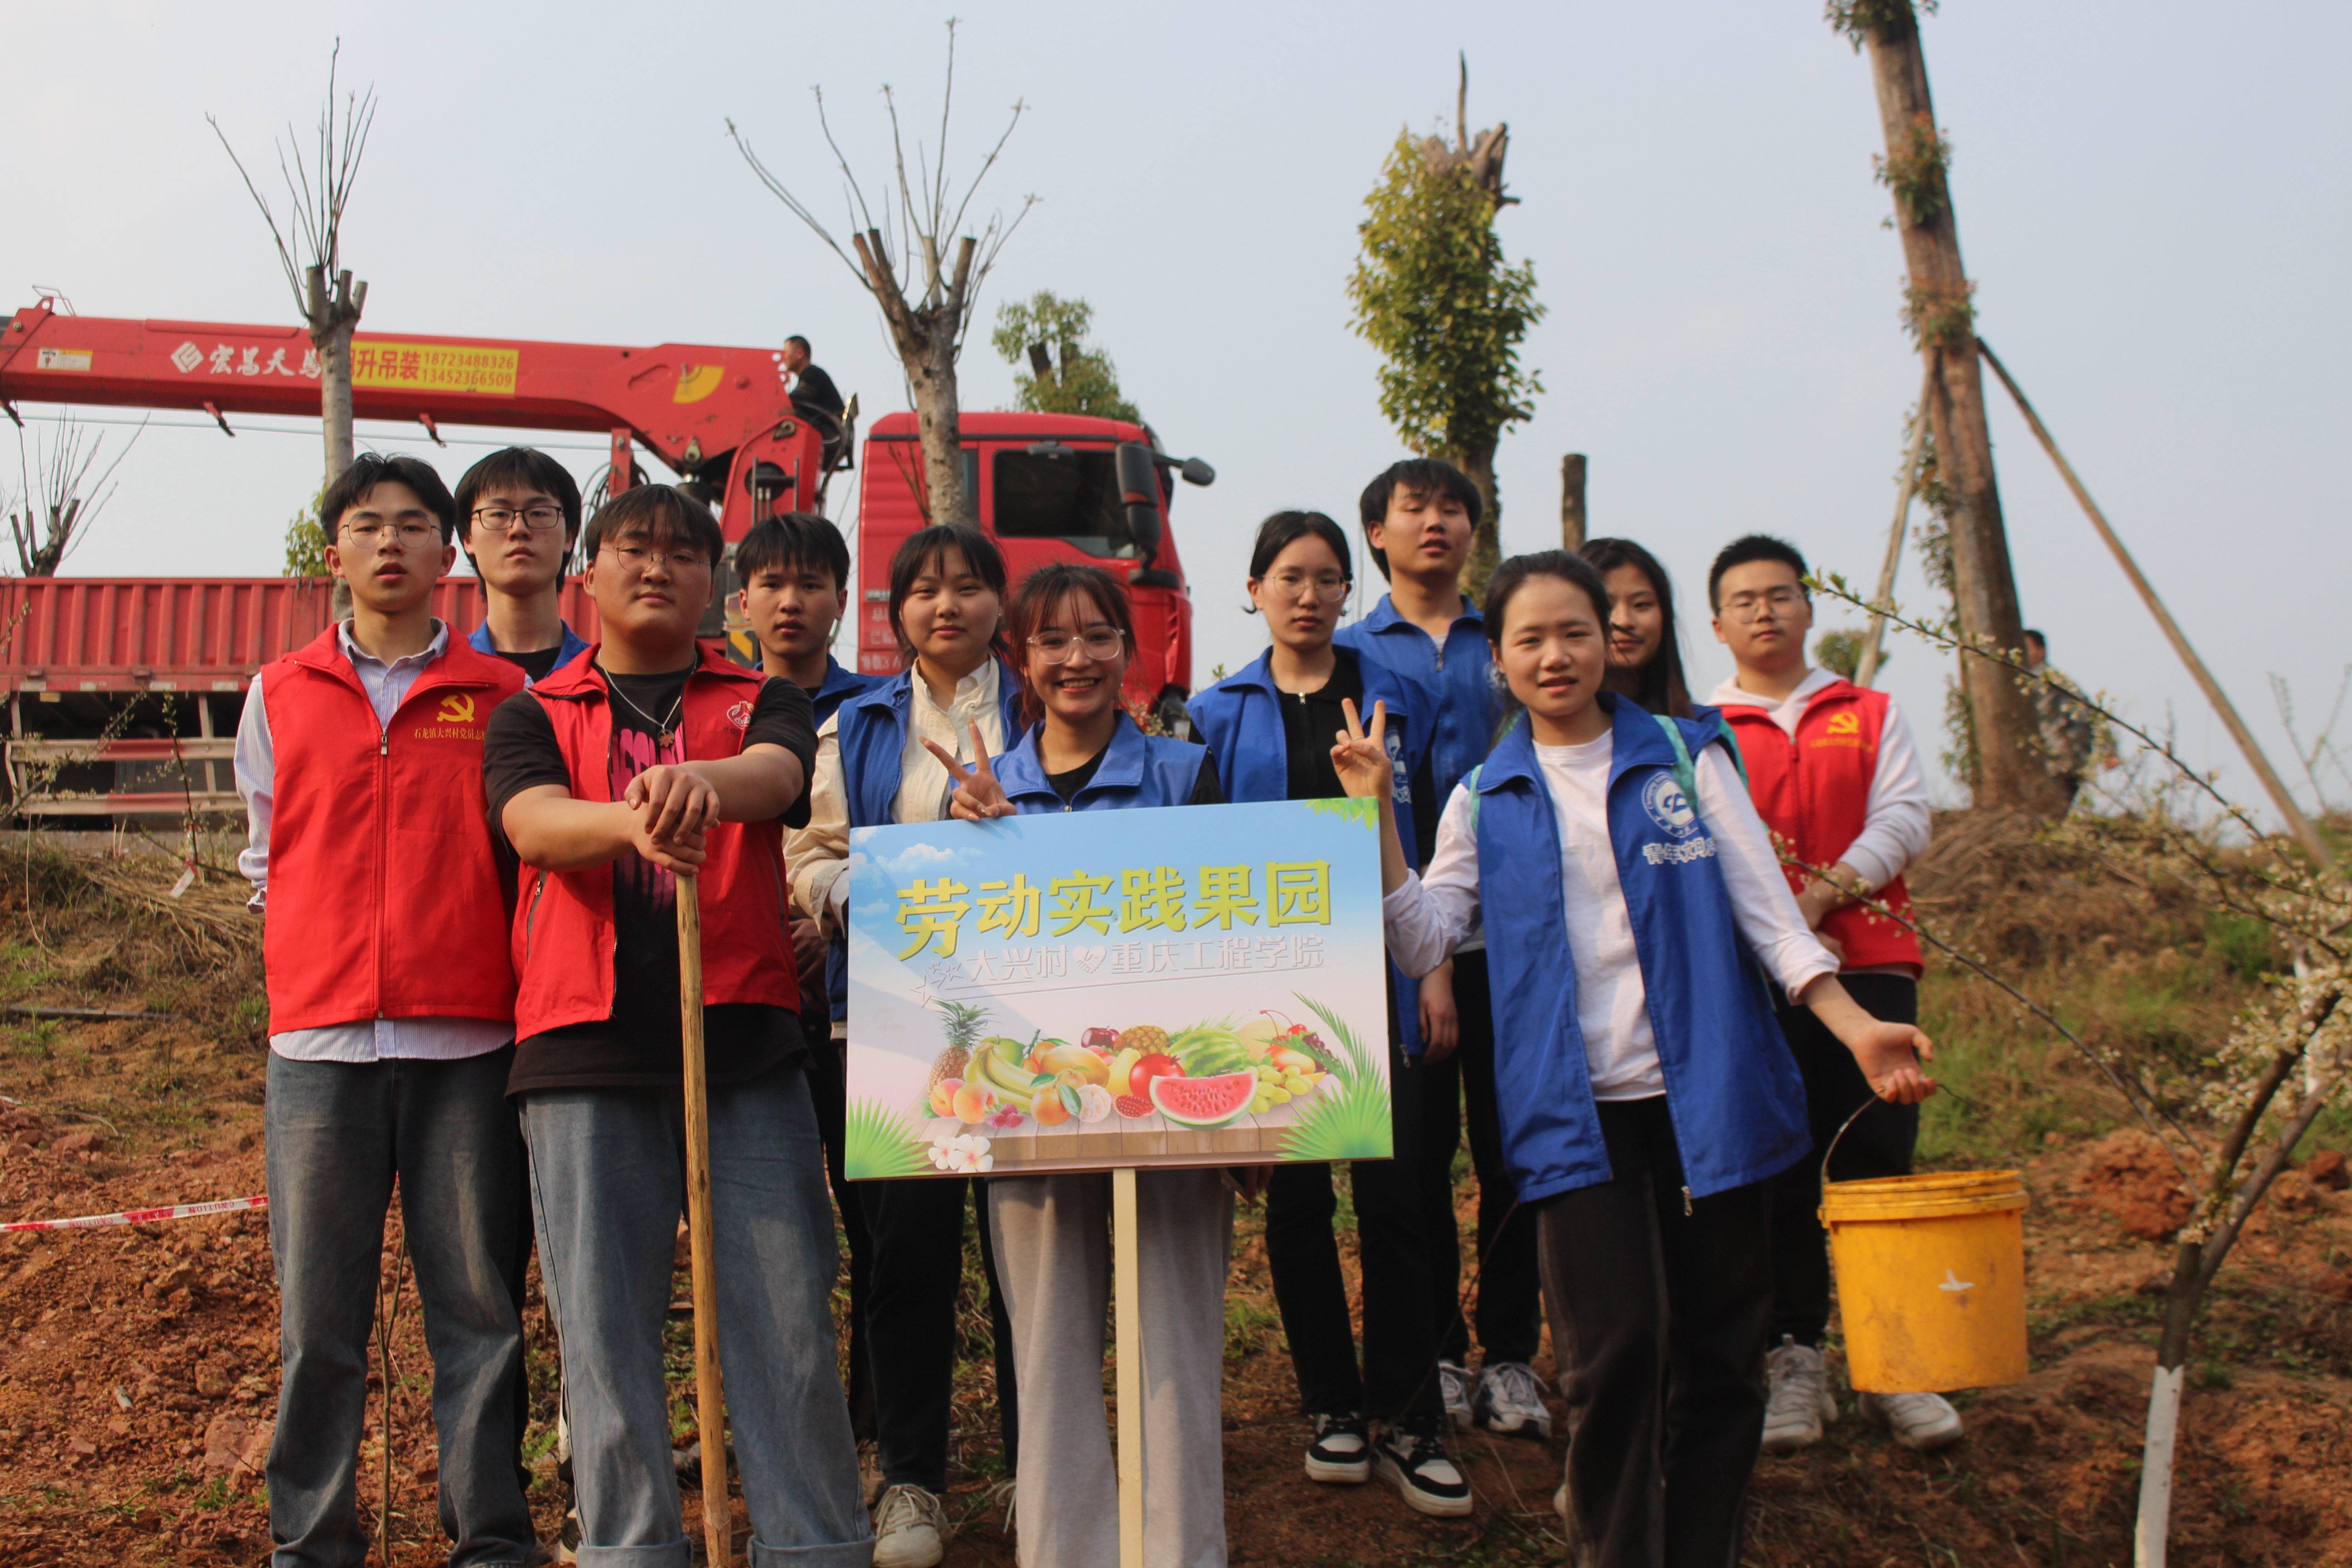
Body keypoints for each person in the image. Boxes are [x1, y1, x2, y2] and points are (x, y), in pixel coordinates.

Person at [1357, 547, 1937, 1567]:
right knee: (1611, 1359)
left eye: (1573, 633)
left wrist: (1854, 1025)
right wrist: (1378, 820)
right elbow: (1423, 939)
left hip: (1711, 1096)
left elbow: (1770, 916)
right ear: (1500, 658)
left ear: (1607, 641)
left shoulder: (1684, 754)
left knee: (1720, 1359)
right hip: (1576, 1115)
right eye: (1530, 639)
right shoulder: (1484, 796)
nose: (1554, 656)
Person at [487, 483, 871, 1565]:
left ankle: (812, 1547)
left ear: (715, 585)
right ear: (590, 574)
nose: (655, 566)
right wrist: (636, 819)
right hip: (583, 1051)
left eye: (681, 552)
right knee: (603, 1330)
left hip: (743, 1045)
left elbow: (777, 780)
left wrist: (689, 781)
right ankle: (631, 1548)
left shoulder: (763, 697)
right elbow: (532, 824)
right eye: (632, 548)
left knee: (786, 1314)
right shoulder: (533, 711)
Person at [235, 452, 537, 1568]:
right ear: (337, 553)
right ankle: (311, 1541)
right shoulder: (278, 691)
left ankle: (491, 1537)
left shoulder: (500, 694)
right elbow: (265, 853)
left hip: (469, 1035)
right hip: (319, 1044)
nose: (392, 543)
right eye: (369, 525)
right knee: (320, 1319)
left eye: (415, 524)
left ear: (446, 552)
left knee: (479, 1310)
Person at [924, 561, 1240, 1568]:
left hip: (1167, 1111)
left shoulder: (1186, 775)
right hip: (1032, 1111)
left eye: (1098, 635)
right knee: (1048, 1346)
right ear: (1018, 658)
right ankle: (1063, 1552)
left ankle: (1180, 1551)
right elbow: (949, 959)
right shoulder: (979, 796)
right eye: (1052, 640)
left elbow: (1235, 944)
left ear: (1126, 651)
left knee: (1176, 1343)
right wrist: (968, 838)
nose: (1076, 658)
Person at [1187, 510, 1470, 1517]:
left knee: (1399, 1203)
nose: (1308, 596)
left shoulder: (1398, 695)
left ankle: (1412, 1416)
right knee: (1297, 1207)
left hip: (1384, 975)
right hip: (1272, 997)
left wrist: (1433, 971)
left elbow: (1440, 839)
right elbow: (1201, 868)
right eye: (1288, 577)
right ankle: (1332, 1408)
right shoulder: (1214, 713)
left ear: (1350, 591)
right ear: (1254, 590)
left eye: (1327, 578)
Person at [790, 523, 1025, 1568]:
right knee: (907, 1259)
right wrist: (861, 895)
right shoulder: (857, 723)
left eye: (968, 586)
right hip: (891, 1020)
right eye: (925, 589)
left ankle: (1037, 1464)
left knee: (1031, 1256)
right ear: (896, 611)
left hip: (1029, 1023)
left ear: (998, 604)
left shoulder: (1041, 707)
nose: (947, 605)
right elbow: (808, 852)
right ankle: (911, 1483)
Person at [1703, 533, 1956, 1455]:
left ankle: (1899, 1362)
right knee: (1779, 1166)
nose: (1764, 612)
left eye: (1779, 595)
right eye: (1743, 600)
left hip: (1870, 961)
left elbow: (1904, 817)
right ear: (1717, 624)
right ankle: (1794, 1356)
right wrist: (1781, 925)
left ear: (1809, 608)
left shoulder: (1869, 711)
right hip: (1757, 976)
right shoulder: (1705, 728)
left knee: (1875, 1155)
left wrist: (1819, 897)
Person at [1334, 459, 1548, 1444]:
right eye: (1413, 508)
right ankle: (1436, 1351)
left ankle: (1510, 1354)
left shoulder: (1507, 638)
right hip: (1399, 940)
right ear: (1376, 533)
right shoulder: (1350, 653)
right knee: (1415, 1163)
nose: (1436, 523)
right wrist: (1426, 963)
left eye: (1453, 508)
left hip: (1518, 941)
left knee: (1514, 1151)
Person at [744, 511, 884, 1451]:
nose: (790, 602)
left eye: (810, 584)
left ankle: (874, 1431)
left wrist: (828, 925)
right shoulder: (718, 702)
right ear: (741, 601)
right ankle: (775, 1433)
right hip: (744, 1010)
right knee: (764, 1238)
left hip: (851, 1006)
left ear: (841, 598)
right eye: (772, 584)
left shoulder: (877, 711)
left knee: (873, 1227)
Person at [454, 445, 592, 685]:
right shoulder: (442, 679)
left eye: (539, 513)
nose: (519, 529)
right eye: (499, 514)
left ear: (570, 536)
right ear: (468, 538)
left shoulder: (603, 678)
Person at [1578, 537, 1696, 719]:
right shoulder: (1535, 728)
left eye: (1641, 605)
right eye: (1606, 608)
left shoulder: (1705, 729)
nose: (1624, 621)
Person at [2023, 629, 2111, 807]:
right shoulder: (2021, 680)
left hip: (2061, 762)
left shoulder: (2054, 681)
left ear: (2041, 651)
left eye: (2028, 648)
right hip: (2039, 762)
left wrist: (2108, 752)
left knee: (2053, 810)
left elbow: (2090, 712)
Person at [784, 334, 845, 419]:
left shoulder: (812, 374)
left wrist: (777, 402)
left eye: (785, 353)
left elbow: (798, 398)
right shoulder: (813, 374)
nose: (783, 357)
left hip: (826, 425)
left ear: (800, 354)